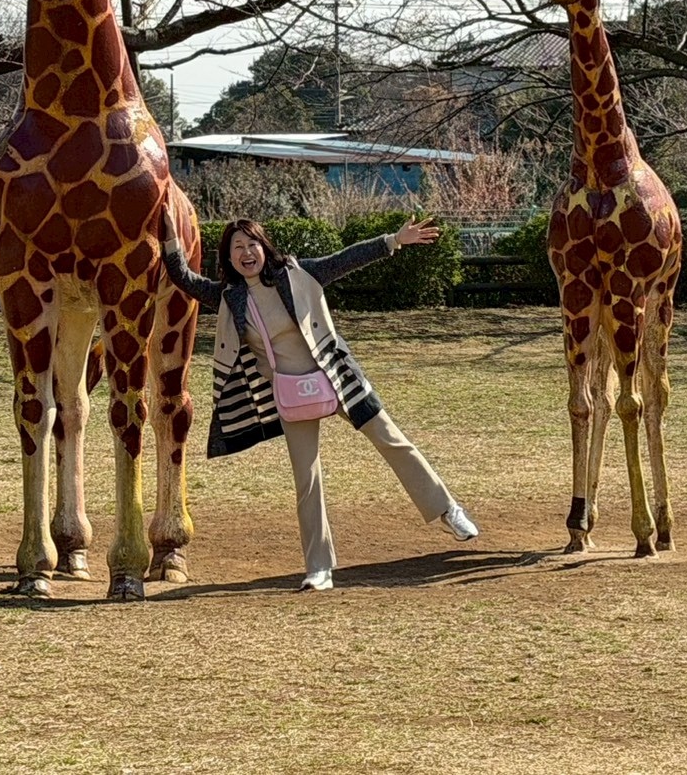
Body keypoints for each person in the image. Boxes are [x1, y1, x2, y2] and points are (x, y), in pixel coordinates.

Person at [160, 208, 479, 591]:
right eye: (237, 247)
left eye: (252, 244)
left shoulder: (297, 273)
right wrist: (170, 234)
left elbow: (346, 259)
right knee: (306, 479)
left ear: (264, 246)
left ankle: (447, 510)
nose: (246, 252)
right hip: (290, 394)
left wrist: (394, 240)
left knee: (392, 440)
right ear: (228, 258)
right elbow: (183, 277)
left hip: (336, 375)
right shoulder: (229, 297)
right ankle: (319, 567)